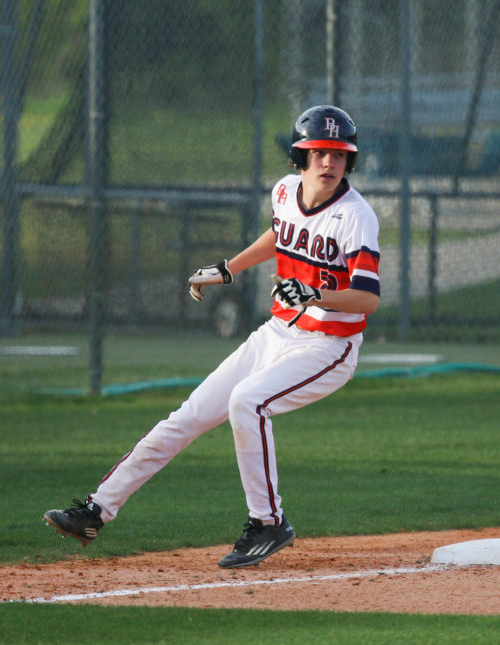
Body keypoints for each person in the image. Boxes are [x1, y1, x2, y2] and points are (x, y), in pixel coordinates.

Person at [44, 105, 380, 568]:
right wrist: (228, 268)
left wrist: (317, 292)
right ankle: (95, 511)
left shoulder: (356, 217)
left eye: (339, 155)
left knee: (248, 401)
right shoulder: (284, 191)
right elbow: (281, 234)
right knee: (187, 417)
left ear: (350, 161)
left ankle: (268, 523)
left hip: (328, 346)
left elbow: (366, 298)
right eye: (318, 153)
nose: (328, 163)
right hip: (276, 333)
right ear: (299, 158)